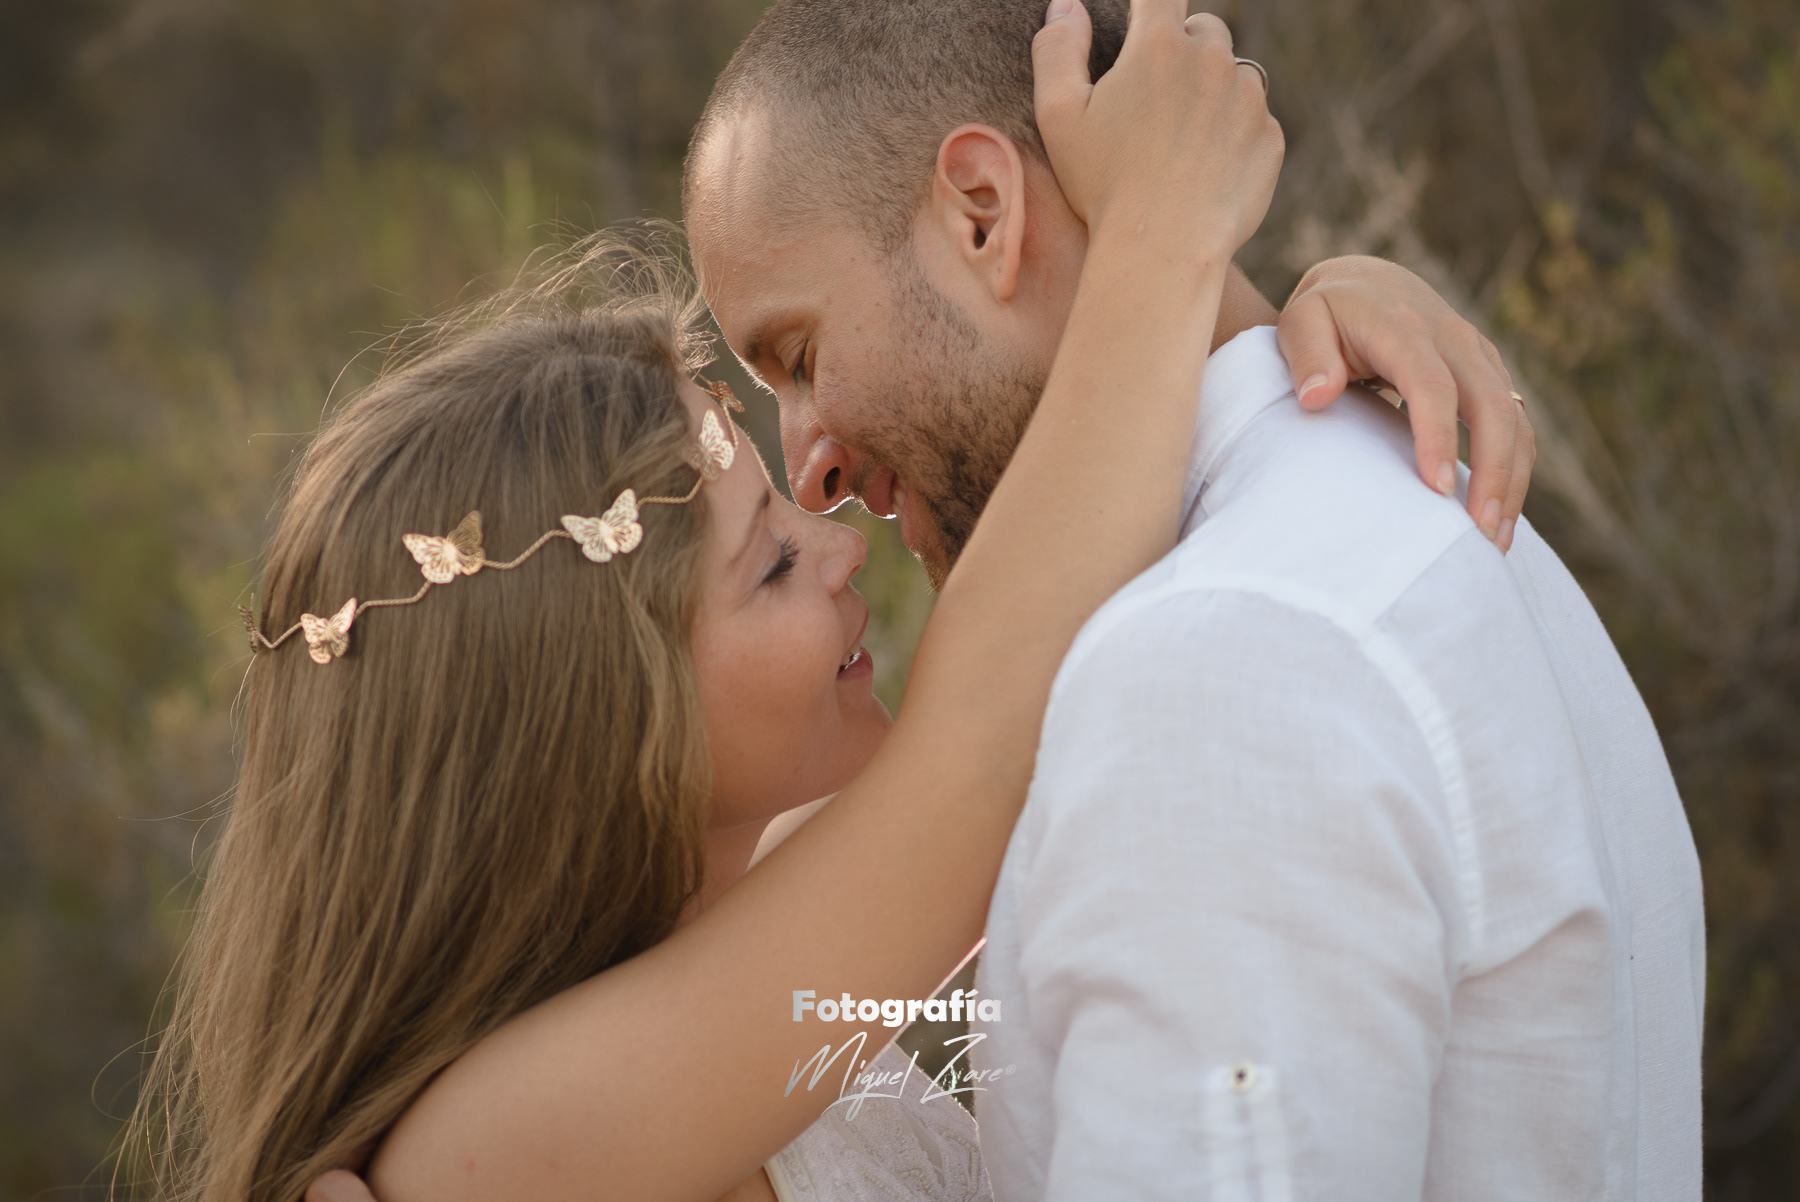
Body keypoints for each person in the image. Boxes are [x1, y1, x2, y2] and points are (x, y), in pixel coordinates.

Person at [134, 7, 1308, 1202]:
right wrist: (1165, 235)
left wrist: (1297, 347)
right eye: (773, 564)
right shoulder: (493, 1144)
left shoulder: (769, 910)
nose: (841, 547)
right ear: (597, 718)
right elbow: (987, 729)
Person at [676, 0, 1707, 1199]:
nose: (810, 466)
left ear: (982, 215)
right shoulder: (1464, 519)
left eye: (798, 356)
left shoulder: (1214, 671)